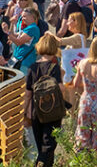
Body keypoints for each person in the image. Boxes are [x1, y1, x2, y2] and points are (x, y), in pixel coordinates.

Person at [26, 33, 65, 167]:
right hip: (53, 111)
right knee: (49, 146)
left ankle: (41, 162)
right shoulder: (55, 68)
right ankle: (41, 163)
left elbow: (27, 94)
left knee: (40, 145)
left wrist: (25, 112)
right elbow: (60, 88)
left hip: (36, 111)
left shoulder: (32, 68)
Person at [73, 35, 97, 150]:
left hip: (85, 101)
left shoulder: (82, 63)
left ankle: (80, 156)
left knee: (83, 133)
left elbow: (75, 83)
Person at [5, 6, 42, 73]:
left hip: (25, 61)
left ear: (32, 17)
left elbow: (18, 42)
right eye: (22, 16)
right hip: (17, 59)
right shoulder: (27, 28)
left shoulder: (33, 28)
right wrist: (12, 24)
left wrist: (7, 32)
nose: (22, 18)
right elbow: (13, 35)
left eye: (24, 16)